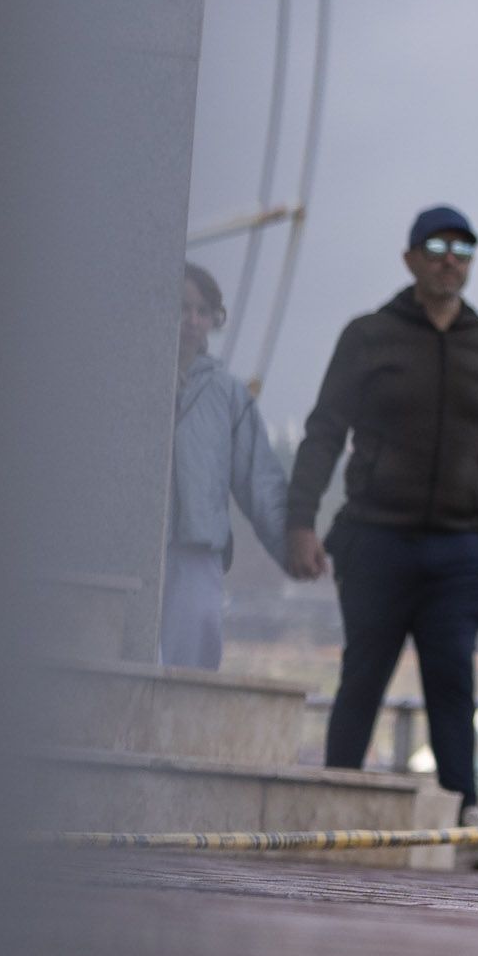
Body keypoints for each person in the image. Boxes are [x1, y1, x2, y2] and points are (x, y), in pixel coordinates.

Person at [284, 207, 478, 870]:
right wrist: (300, 519)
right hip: (376, 539)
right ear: (411, 258)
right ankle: (331, 811)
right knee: (363, 673)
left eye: (464, 248)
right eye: (438, 247)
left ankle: (465, 824)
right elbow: (325, 428)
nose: (452, 258)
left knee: (454, 679)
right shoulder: (368, 336)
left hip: (458, 551)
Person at [166, 261, 294, 674]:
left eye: (202, 311)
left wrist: (292, 547)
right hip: (134, 549)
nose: (192, 320)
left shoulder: (227, 394)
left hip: (198, 550)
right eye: (182, 308)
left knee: (193, 668)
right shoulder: (129, 381)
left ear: (213, 320)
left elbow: (259, 479)